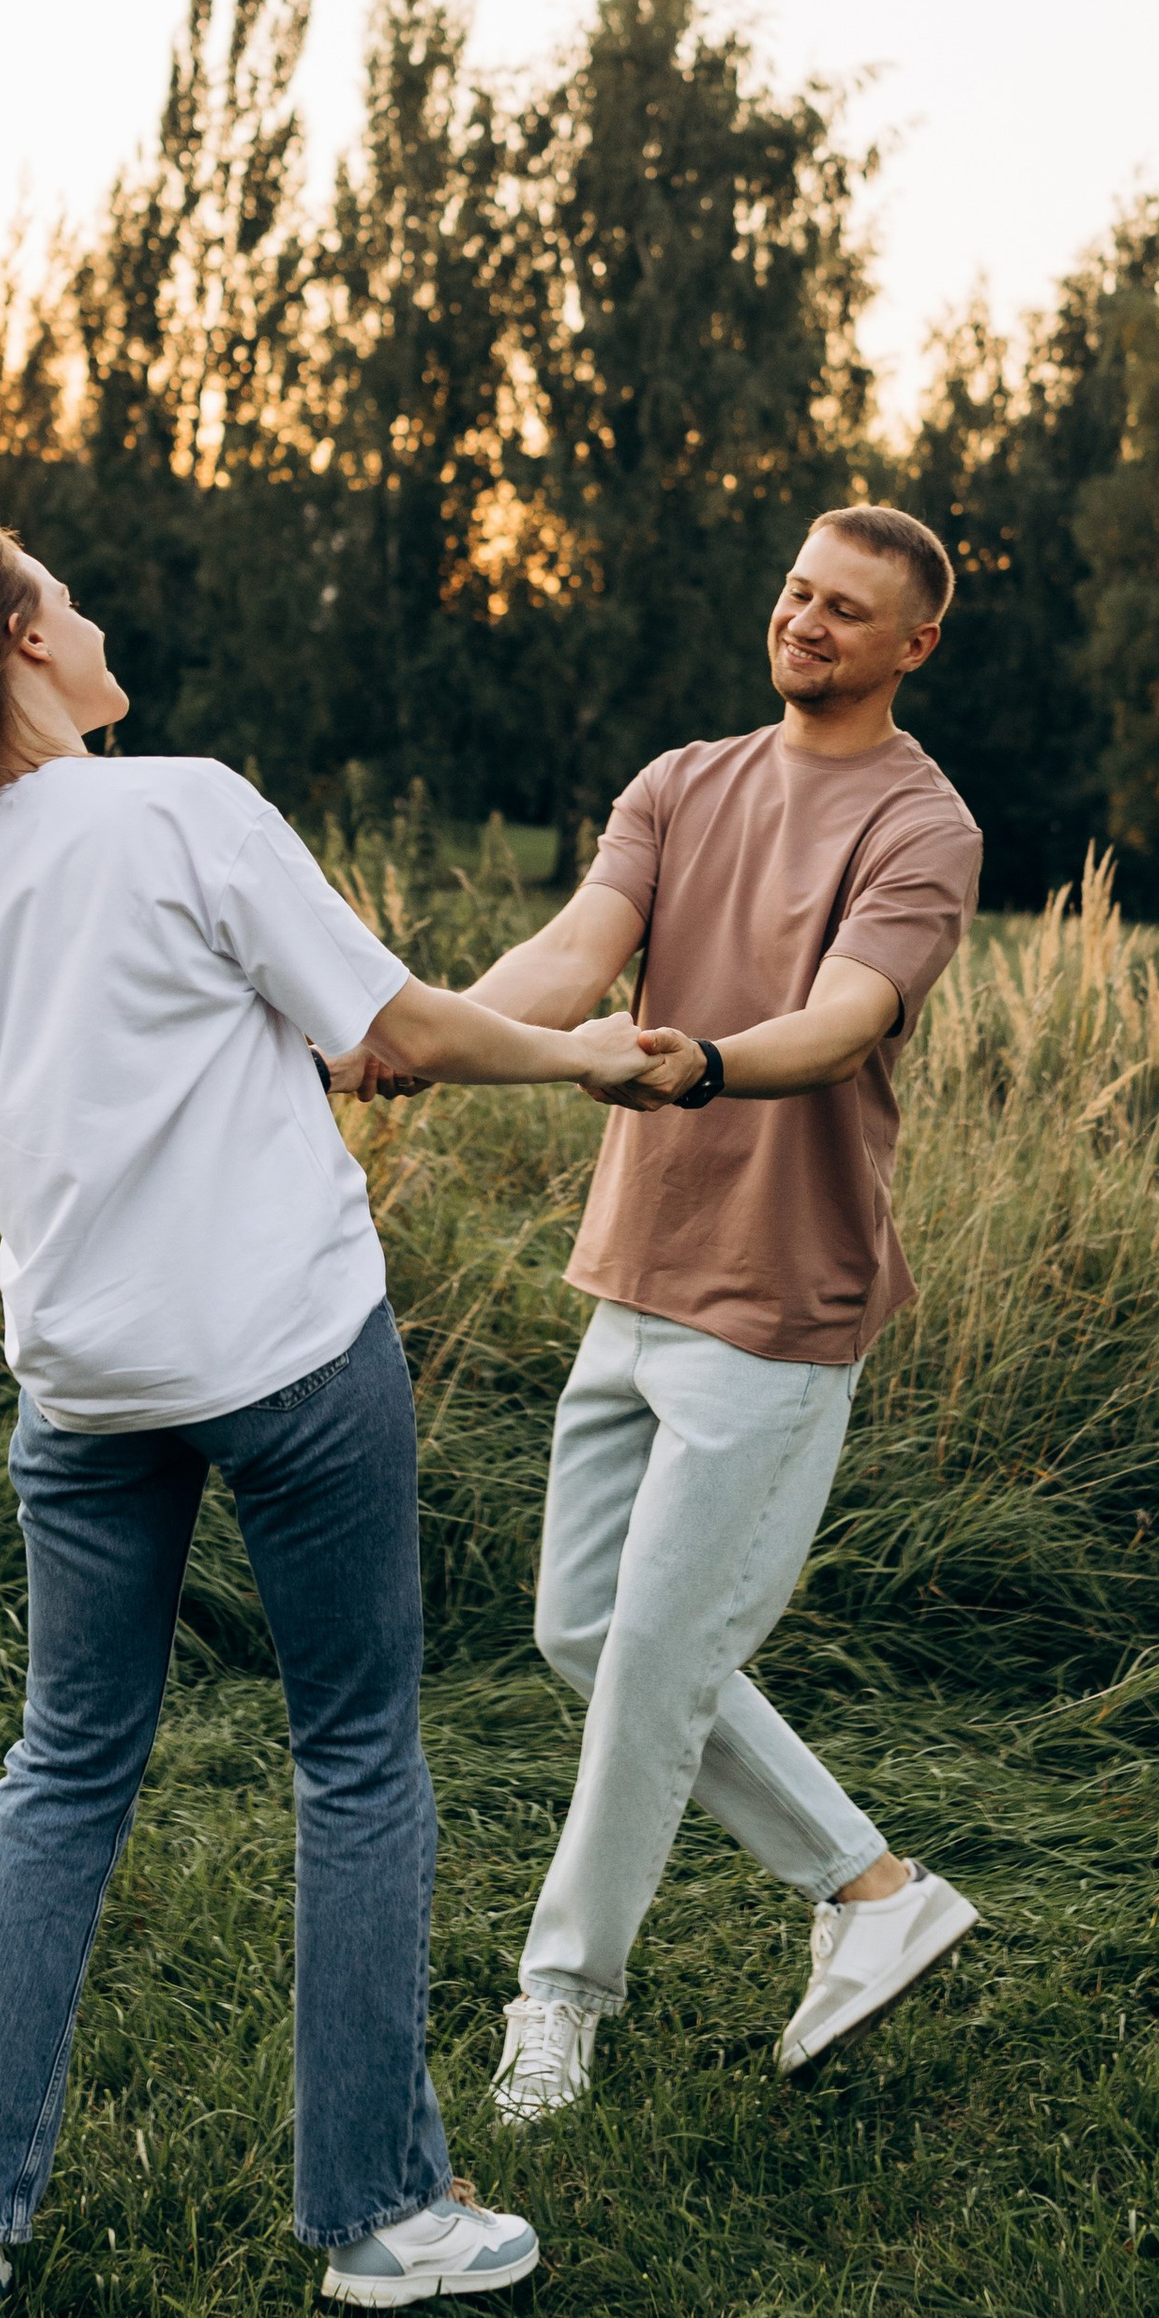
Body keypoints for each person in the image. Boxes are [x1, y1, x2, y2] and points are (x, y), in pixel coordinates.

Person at [0, 512, 664, 2315]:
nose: (98, 610)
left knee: (65, 1762)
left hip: (84, 1392)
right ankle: (382, 2217)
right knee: (356, 1753)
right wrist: (582, 1051)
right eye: (66, 591)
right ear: (19, 641)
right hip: (288, 1357)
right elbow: (386, 1034)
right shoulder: (179, 804)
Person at [430, 505, 985, 2115]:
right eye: (799, 591)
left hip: (782, 1298)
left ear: (910, 646)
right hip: (638, 1268)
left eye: (848, 609)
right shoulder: (681, 780)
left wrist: (712, 1060)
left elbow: (844, 1019)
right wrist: (419, 1029)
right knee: (585, 1631)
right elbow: (574, 952)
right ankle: (873, 1894)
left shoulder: (922, 824)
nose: (807, 622)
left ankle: (561, 1995)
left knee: (659, 1652)